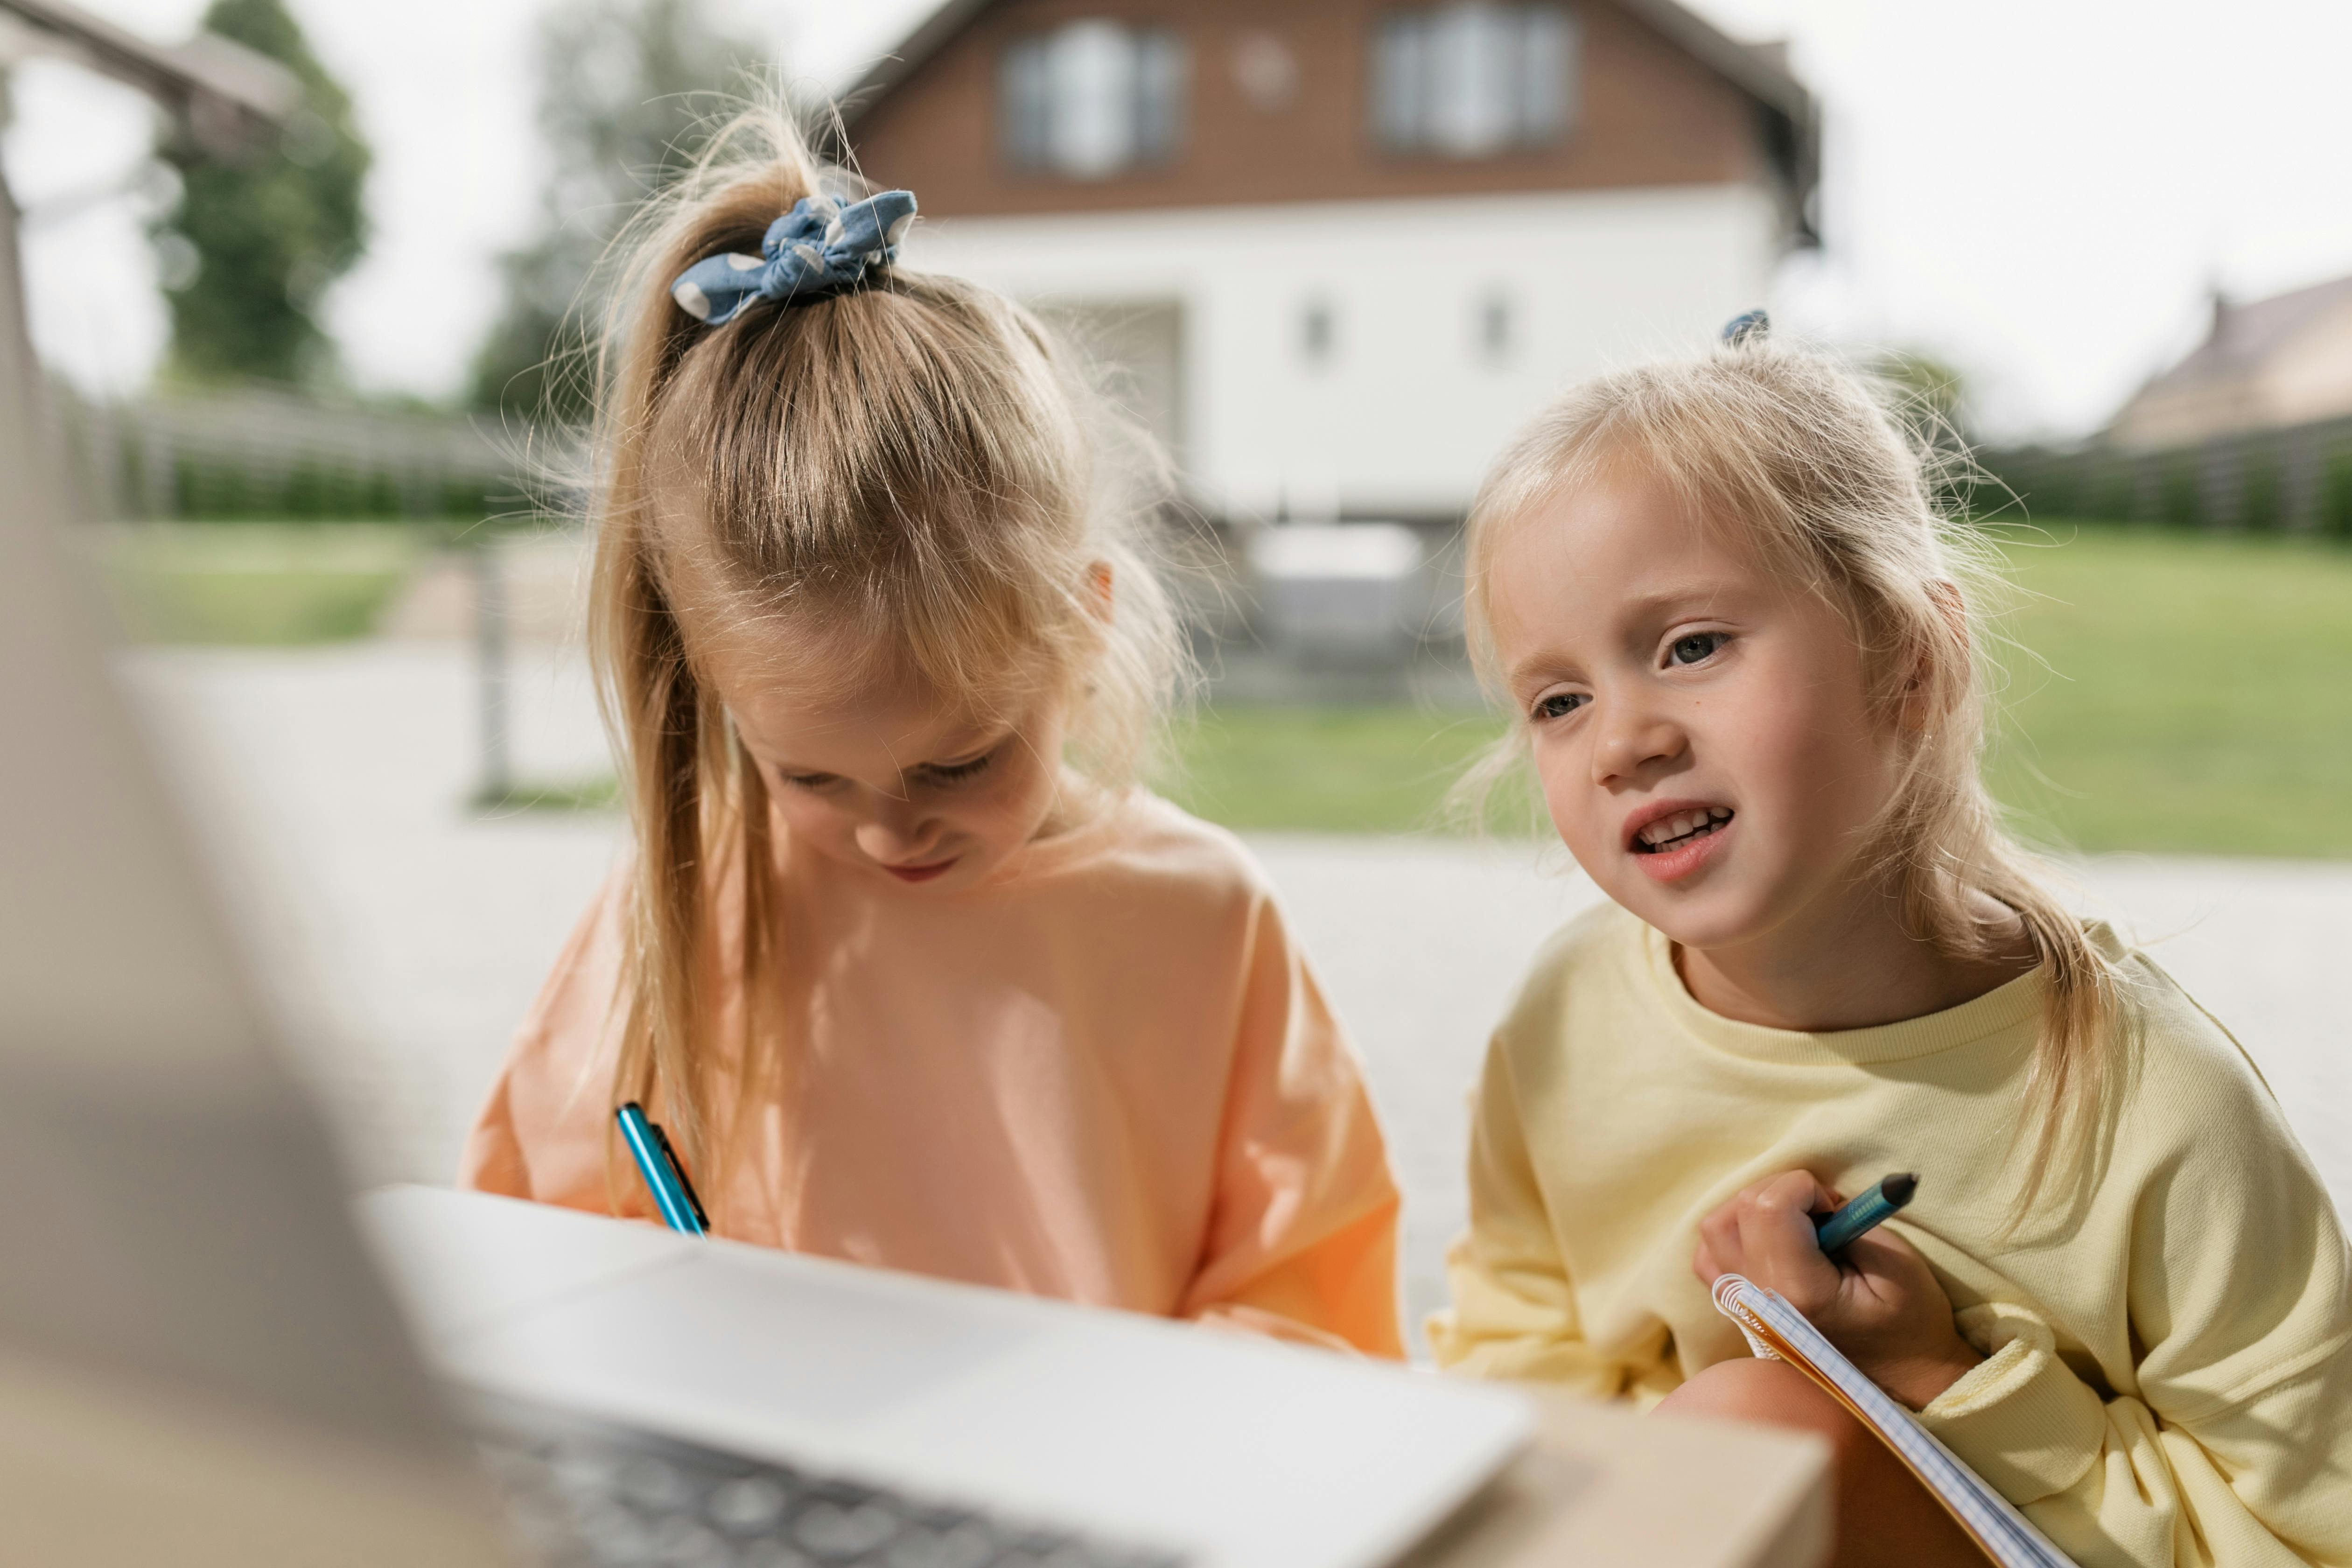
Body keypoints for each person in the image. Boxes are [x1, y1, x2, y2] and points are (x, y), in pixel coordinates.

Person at [461, 113, 1402, 1358]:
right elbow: (537, 1256)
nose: (884, 826)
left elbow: (1312, 1301)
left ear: (1086, 623)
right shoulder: (692, 896)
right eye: (804, 771)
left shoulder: (1206, 922)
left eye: (958, 761)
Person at [1428, 324, 2352, 1564]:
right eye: (1559, 700)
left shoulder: (2154, 1100)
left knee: (1752, 1426)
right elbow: (1518, 1361)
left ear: (1906, 658)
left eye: (1691, 646)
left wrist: (1933, 1373)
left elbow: (2302, 1536)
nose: (1621, 741)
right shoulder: (1567, 1020)